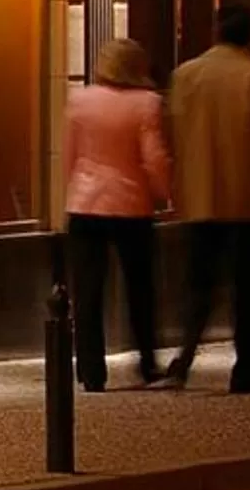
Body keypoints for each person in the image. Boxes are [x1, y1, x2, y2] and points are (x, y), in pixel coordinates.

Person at [163, 5, 250, 393]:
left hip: (200, 199)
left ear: (216, 30)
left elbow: (172, 137)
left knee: (198, 286)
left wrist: (177, 189)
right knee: (249, 295)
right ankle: (245, 371)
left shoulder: (185, 75)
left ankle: (183, 358)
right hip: (246, 203)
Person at [64, 37, 171, 390]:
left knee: (87, 292)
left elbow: (69, 153)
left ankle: (91, 371)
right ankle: (147, 362)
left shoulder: (79, 100)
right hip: (130, 202)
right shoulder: (147, 103)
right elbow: (153, 156)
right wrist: (164, 192)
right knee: (140, 288)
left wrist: (69, 191)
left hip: (85, 202)